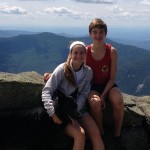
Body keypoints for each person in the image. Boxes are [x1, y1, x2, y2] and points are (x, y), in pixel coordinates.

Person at [42, 41, 105, 150]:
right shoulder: (62, 69)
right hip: (61, 112)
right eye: (75, 53)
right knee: (80, 134)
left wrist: (75, 110)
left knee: (96, 134)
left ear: (85, 55)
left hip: (78, 109)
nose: (78, 56)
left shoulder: (88, 72)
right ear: (70, 55)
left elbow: (84, 94)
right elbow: (46, 91)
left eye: (82, 53)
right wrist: (52, 113)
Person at [86, 18, 124, 148]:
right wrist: (52, 75)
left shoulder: (112, 52)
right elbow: (69, 64)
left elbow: (112, 78)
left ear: (105, 34)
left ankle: (117, 135)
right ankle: (101, 132)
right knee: (95, 104)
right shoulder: (85, 52)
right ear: (90, 34)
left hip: (109, 84)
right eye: (94, 32)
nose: (98, 35)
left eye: (101, 32)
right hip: (92, 86)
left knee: (118, 101)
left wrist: (103, 95)